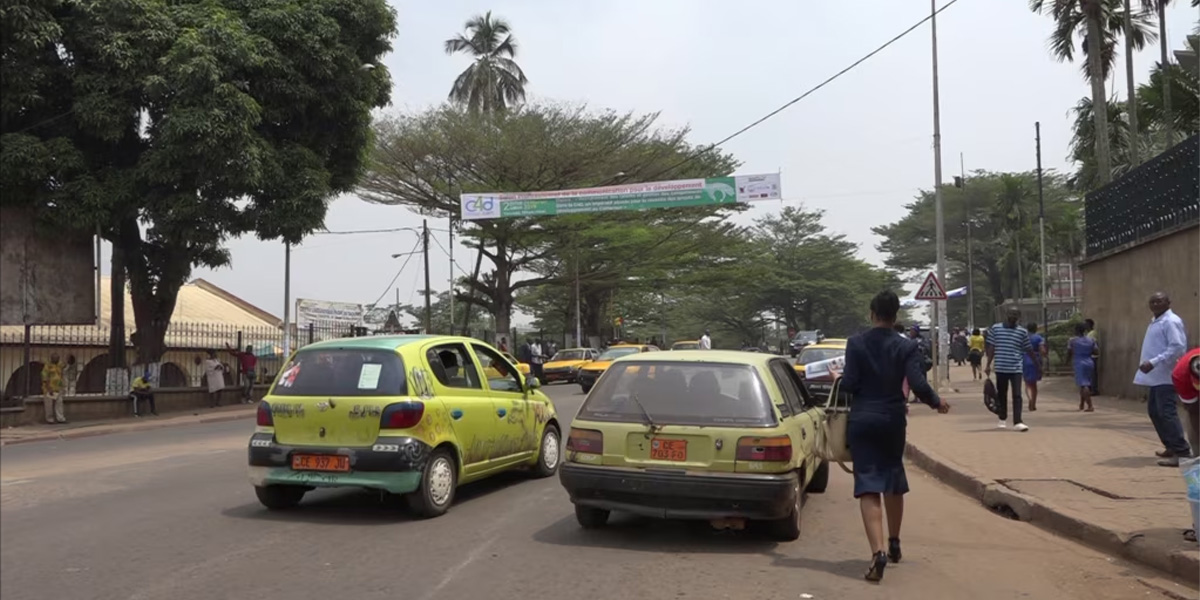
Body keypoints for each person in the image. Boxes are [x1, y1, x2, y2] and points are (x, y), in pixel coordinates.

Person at [835, 289, 949, 583]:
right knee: (893, 478)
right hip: (893, 419)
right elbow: (918, 384)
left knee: (868, 485)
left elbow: (849, 384)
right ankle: (895, 542)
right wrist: (938, 403)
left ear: (872, 314)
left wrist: (839, 379)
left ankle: (878, 553)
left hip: (863, 420)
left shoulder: (856, 343)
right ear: (895, 315)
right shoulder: (907, 346)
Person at [1136, 292, 1190, 466]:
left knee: (1166, 413)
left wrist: (1153, 362)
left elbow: (1177, 347)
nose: (1155, 304)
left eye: (1159, 301)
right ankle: (1171, 445)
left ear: (1168, 302)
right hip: (1155, 377)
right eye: (1152, 301)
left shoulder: (1171, 321)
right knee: (1155, 412)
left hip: (1166, 375)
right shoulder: (1156, 321)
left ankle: (1182, 452)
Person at [985, 307, 1037, 432]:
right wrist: (988, 364)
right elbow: (991, 347)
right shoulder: (996, 329)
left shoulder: (1022, 332)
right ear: (1006, 314)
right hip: (1001, 367)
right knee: (1002, 394)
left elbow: (1028, 349)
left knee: (1017, 395)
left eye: (1016, 314)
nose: (1013, 316)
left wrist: (1037, 364)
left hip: (1016, 368)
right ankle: (1002, 418)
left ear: (1019, 317)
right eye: (1011, 314)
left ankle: (1018, 421)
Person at [1171, 347, 1199, 461]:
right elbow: (1193, 411)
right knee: (1195, 421)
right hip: (1192, 394)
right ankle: (1197, 455)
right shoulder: (1180, 376)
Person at [1067, 323, 1098, 412]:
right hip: (1089, 362)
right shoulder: (1091, 340)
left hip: (1079, 362)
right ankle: (1082, 404)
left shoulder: (1072, 341)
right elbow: (1096, 351)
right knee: (1084, 383)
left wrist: (1067, 361)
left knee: (1084, 385)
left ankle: (1090, 405)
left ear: (1076, 330)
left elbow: (1069, 352)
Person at [1023, 323, 1046, 411]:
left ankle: (1029, 399)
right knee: (1034, 384)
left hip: (1025, 359)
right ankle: (1033, 403)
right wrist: (1044, 356)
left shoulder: (1023, 338)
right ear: (1036, 329)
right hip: (1035, 360)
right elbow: (1042, 350)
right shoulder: (1039, 338)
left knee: (1027, 383)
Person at [40, 353, 67, 424]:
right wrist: (49, 388)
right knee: (49, 405)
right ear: (51, 359)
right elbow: (45, 378)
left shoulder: (59, 365)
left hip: (58, 387)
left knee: (59, 403)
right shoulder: (47, 366)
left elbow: (65, 364)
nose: (57, 360)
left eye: (57, 358)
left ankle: (60, 418)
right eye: (55, 358)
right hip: (50, 388)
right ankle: (50, 419)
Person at [1085, 318, 1099, 395]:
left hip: (1093, 356)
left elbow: (1093, 344)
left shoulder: (1092, 333)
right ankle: (1091, 389)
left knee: (1093, 374)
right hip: (1089, 356)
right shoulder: (1089, 334)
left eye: (1086, 324)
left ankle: (1094, 389)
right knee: (1090, 374)